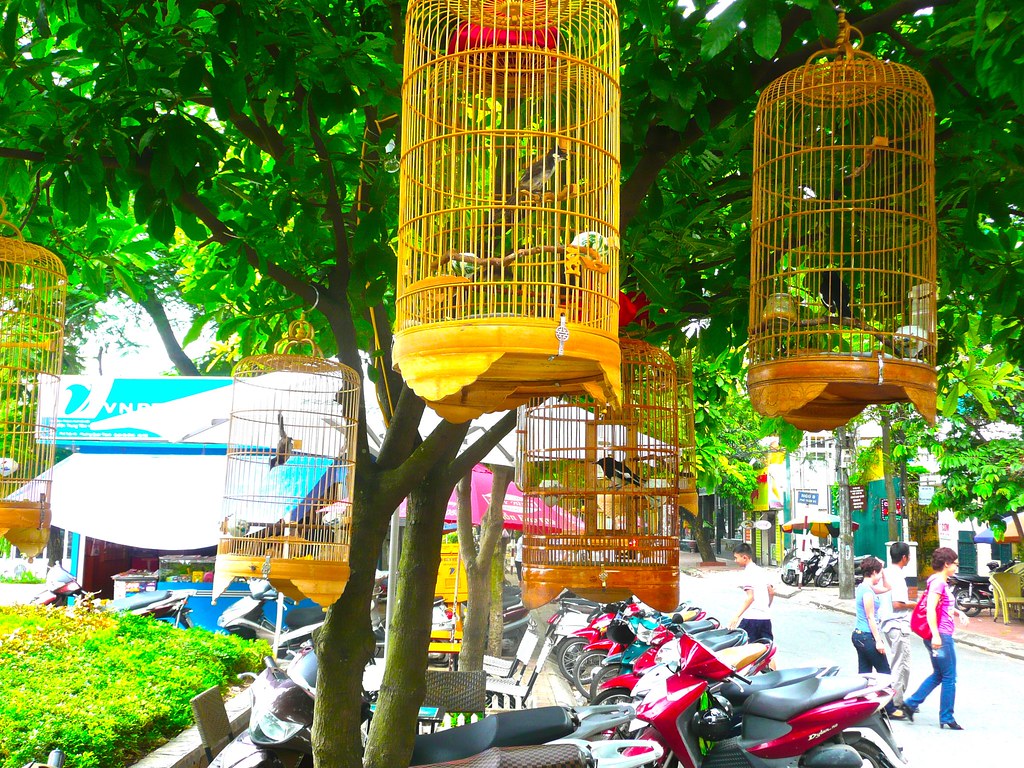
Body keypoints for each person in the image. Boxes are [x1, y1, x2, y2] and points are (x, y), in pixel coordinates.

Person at [902, 546, 969, 730]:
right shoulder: (939, 583)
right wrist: (937, 636)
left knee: (939, 674)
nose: (956, 567)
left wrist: (958, 613)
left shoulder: (936, 580)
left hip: (939, 634)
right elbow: (931, 609)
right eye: (955, 564)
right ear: (946, 564)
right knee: (949, 676)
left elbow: (942, 606)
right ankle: (946, 716)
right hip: (941, 635)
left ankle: (911, 703)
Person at [879, 542, 913, 720]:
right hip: (897, 623)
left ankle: (895, 701)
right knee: (901, 665)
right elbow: (897, 604)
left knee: (898, 663)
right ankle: (895, 704)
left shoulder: (885, 572)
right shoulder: (898, 576)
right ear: (905, 557)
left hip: (887, 624)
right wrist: (915, 605)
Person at [851, 556, 891, 678]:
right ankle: (889, 698)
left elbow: (888, 587)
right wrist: (878, 641)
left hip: (860, 636)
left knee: (865, 676)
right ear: (874, 572)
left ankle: (862, 696)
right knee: (885, 675)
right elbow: (870, 617)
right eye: (878, 573)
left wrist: (882, 570)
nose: (879, 577)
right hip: (867, 636)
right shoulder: (868, 592)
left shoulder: (864, 587)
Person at [728, 543, 775, 642]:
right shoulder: (761, 571)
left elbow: (750, 597)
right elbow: (771, 592)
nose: (735, 561)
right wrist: (766, 607)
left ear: (744, 557)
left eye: (736, 558)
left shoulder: (748, 573)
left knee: (740, 647)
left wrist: (736, 616)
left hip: (751, 618)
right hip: (765, 619)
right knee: (764, 650)